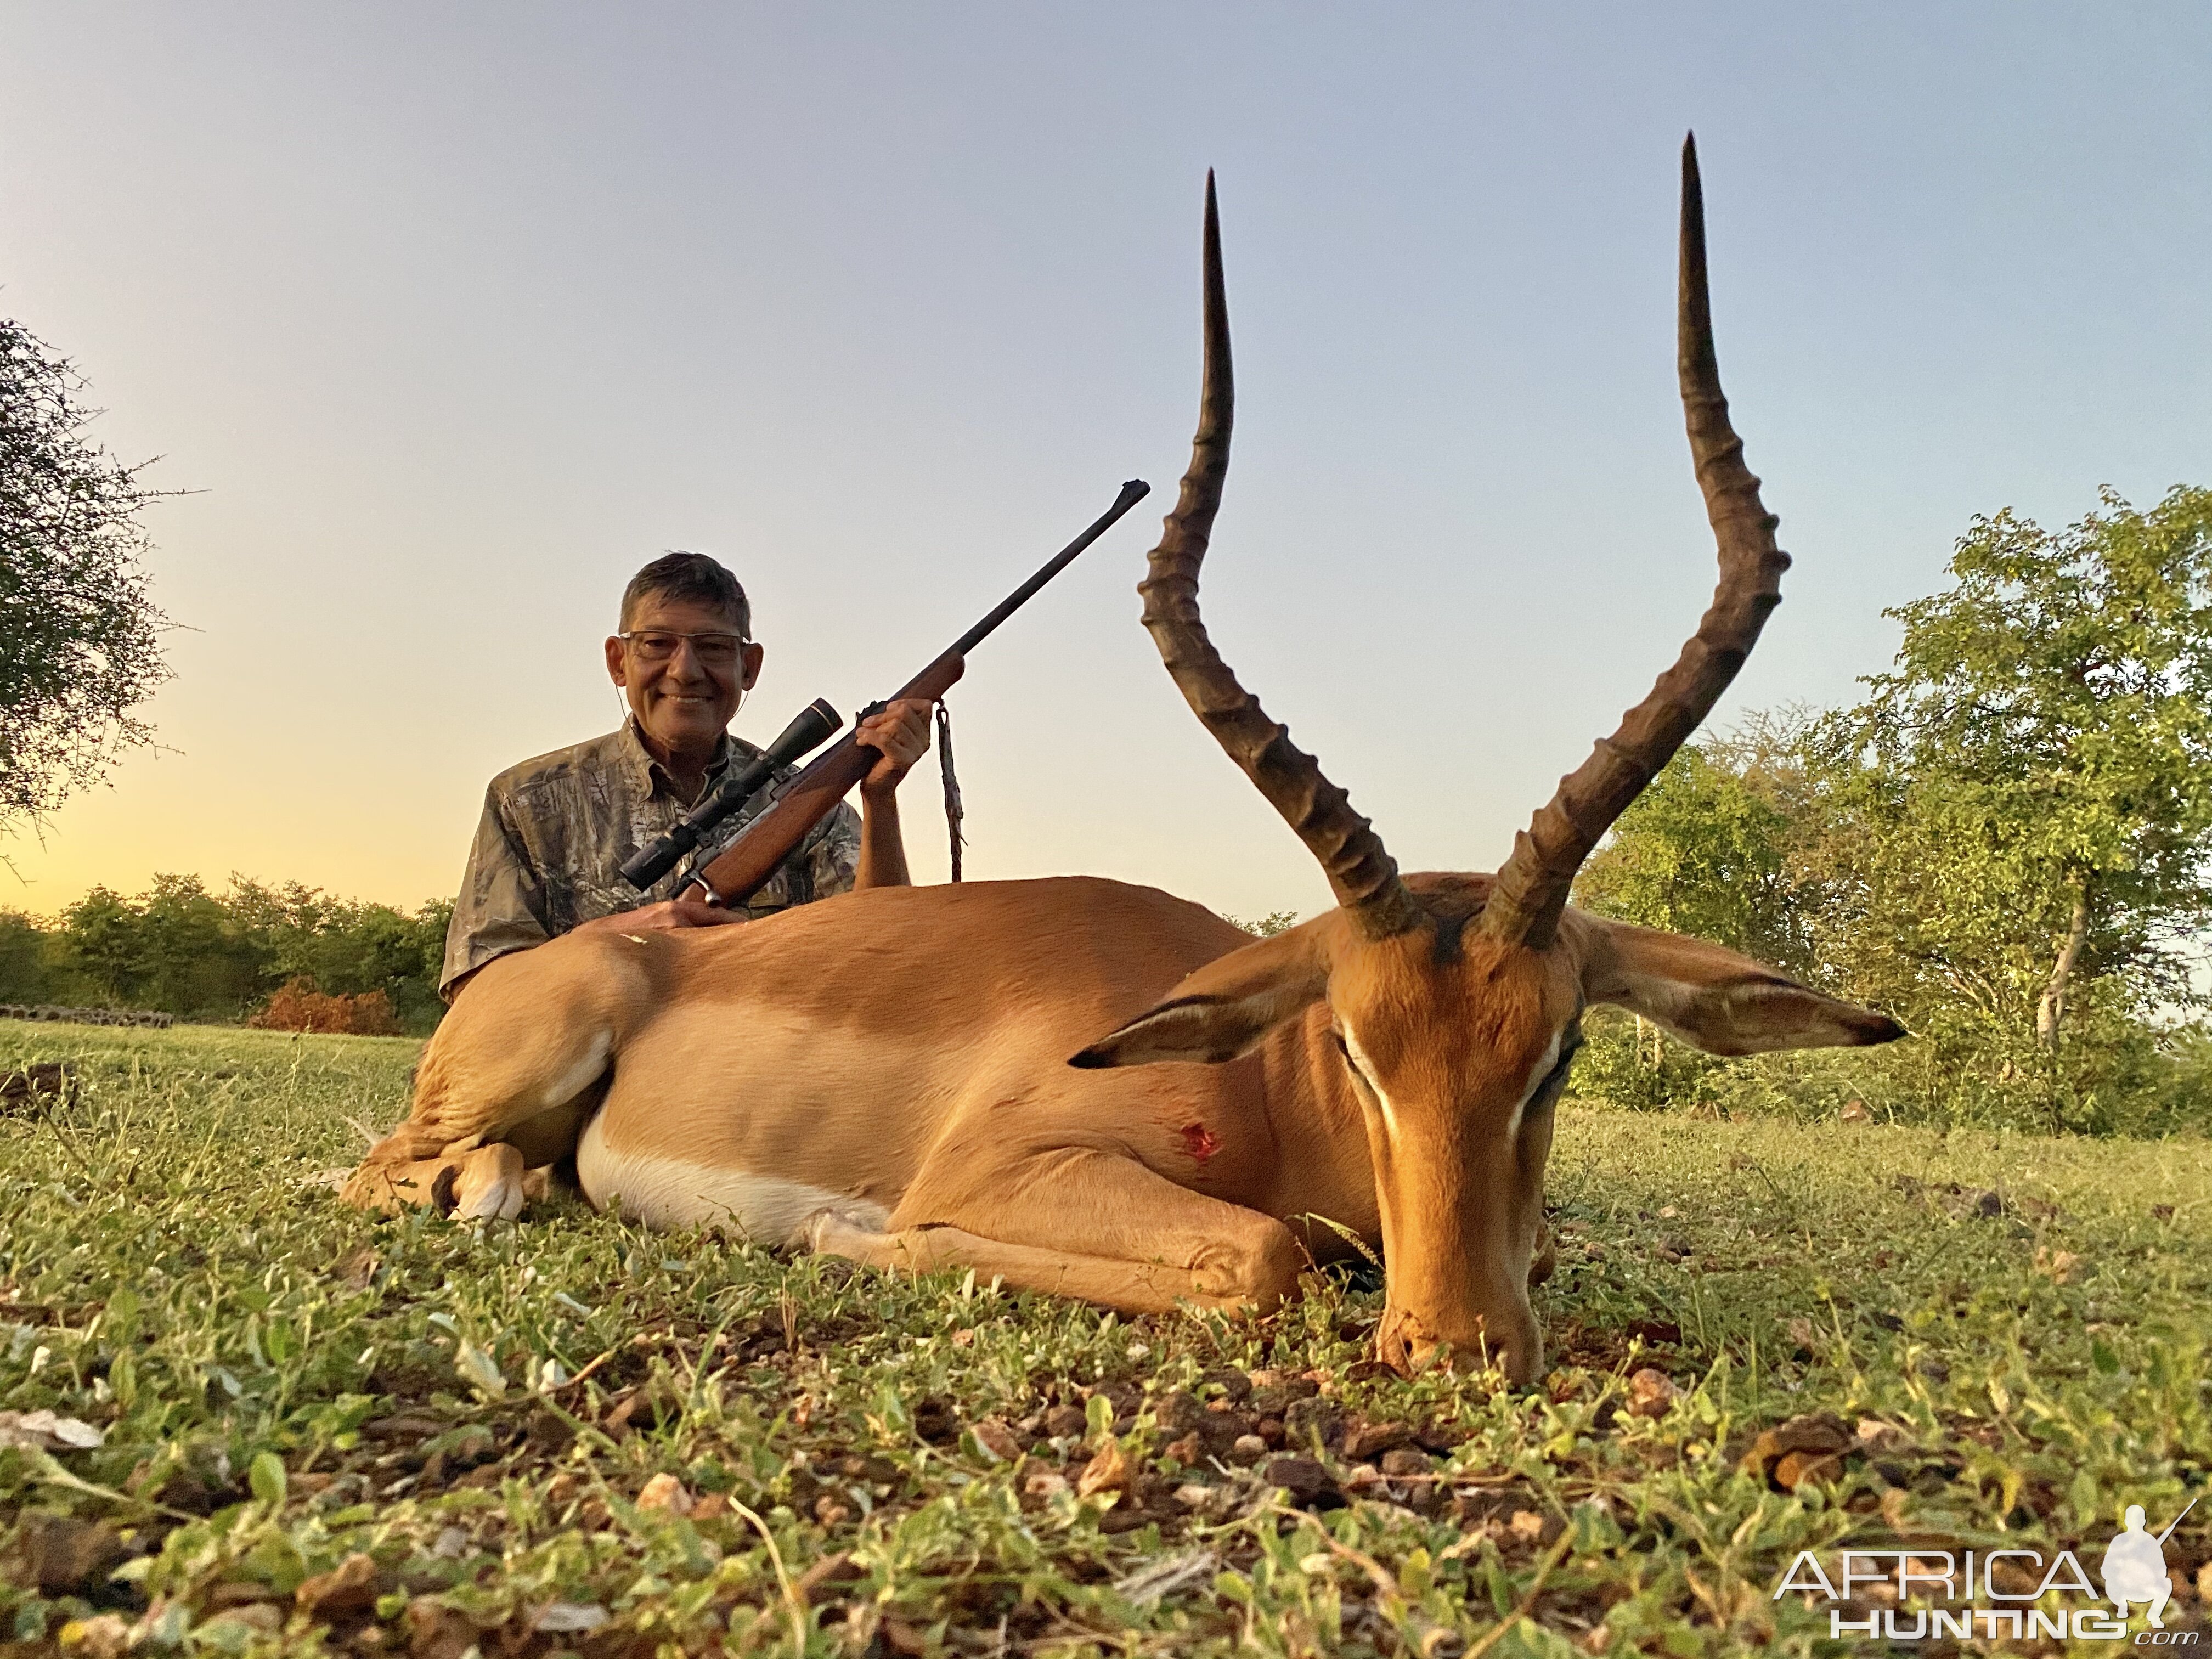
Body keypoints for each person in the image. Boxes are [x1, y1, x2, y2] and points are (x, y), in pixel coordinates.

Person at [439, 551, 933, 1001]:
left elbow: (887, 963)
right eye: (657, 644)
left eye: (715, 648)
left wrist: (880, 799)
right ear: (618, 661)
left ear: (750, 667)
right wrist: (623, 938)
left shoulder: (812, 804)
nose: (685, 671)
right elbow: (477, 991)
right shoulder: (526, 799)